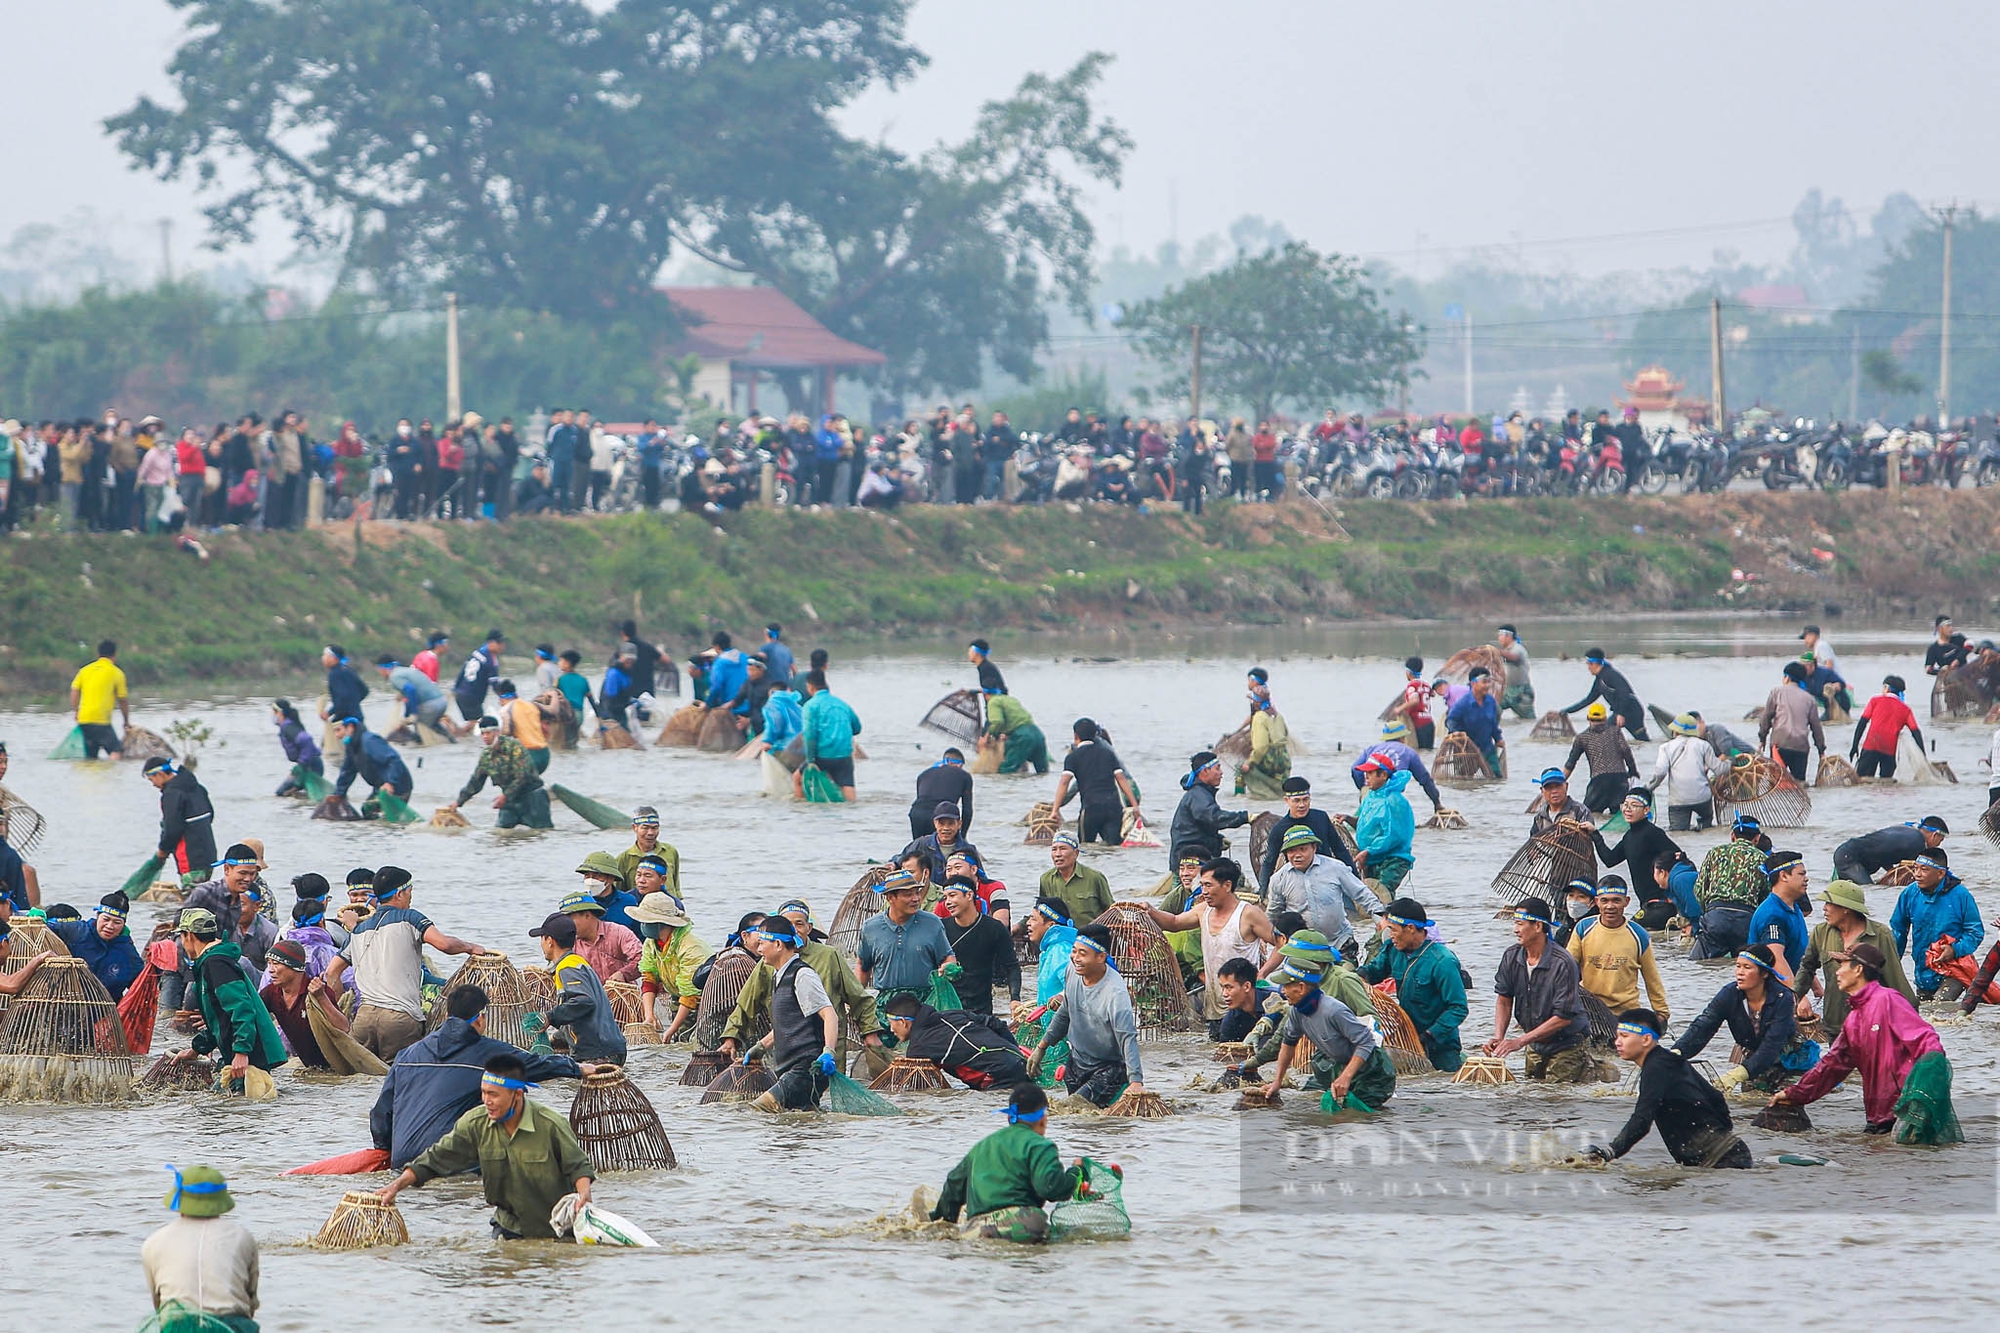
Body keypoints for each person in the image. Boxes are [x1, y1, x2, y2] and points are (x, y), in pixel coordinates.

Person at [380, 1053, 597, 1239]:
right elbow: (435, 1159)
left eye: (493, 1094)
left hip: (556, 1230)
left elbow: (577, 1166)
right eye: (483, 1092)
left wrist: (584, 1194)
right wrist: (396, 1185)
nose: (486, 1100)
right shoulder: (475, 1123)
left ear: (517, 1095)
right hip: (508, 1228)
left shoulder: (551, 1124)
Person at [372, 985, 591, 1169]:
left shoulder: (407, 1055)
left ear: (447, 1016)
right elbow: (537, 1065)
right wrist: (577, 1069)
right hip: (449, 1163)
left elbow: (381, 1114)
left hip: (403, 1163)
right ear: (481, 1019)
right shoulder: (488, 1053)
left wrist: (385, 1151)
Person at [1771, 943, 1962, 1143]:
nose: (1838, 971)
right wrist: (1794, 1094)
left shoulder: (1888, 999)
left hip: (1905, 1112)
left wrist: (1925, 1085)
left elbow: (1925, 1039)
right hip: (1877, 1117)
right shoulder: (1854, 1018)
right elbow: (1831, 1066)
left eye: (1842, 965)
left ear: (1858, 969)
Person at [325, 866, 485, 1061]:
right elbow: (444, 944)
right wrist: (470, 947)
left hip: (364, 1020)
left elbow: (332, 972)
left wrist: (342, 1008)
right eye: (409, 892)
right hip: (399, 1018)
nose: (410, 898)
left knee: (366, 1081)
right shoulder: (410, 918)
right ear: (400, 893)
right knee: (401, 1078)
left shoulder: (357, 931)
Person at [722, 903, 882, 1072]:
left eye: (799, 924)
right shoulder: (767, 963)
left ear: (809, 928)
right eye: (787, 924)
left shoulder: (828, 957)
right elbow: (746, 1004)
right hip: (790, 1046)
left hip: (828, 1044)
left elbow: (858, 999)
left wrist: (870, 1032)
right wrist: (732, 1038)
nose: (794, 930)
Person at [1587, 1009, 1751, 1167]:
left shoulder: (1655, 1068)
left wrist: (1610, 1152)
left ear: (1646, 1039)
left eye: (1624, 1036)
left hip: (1721, 1160)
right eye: (1617, 1036)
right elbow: (1716, 1097)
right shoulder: (1669, 1060)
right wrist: (1723, 1134)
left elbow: (1642, 1121)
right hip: (1731, 1152)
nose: (1617, 1042)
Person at [929, 1083, 1085, 1241]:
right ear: (1043, 1119)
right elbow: (1051, 1188)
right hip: (1023, 1225)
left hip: (977, 1229)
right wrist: (1076, 1173)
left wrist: (943, 1224)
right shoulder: (1040, 1145)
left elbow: (953, 1184)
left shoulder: (981, 1147)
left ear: (1009, 1117)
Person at [1145, 858, 1278, 1030]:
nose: (1204, 891)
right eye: (1202, 885)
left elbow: (1282, 943)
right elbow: (1174, 923)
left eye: (1208, 885)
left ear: (1227, 886)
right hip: (1214, 1005)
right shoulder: (1203, 911)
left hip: (1245, 1005)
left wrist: (1263, 972)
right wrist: (1150, 910)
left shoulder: (1248, 914)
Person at [1255, 953, 1395, 1112]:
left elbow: (1366, 1042)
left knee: (1355, 1116)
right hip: (1342, 1065)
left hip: (1372, 1071)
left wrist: (1345, 1077)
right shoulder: (1297, 1011)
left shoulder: (1333, 1010)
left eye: (1286, 986)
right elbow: (1288, 1044)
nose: (1283, 991)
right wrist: (1277, 1082)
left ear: (1301, 988)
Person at [1029, 924, 1146, 1107]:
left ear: (1101, 957)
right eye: (1074, 951)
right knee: (1078, 1127)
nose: (1076, 958)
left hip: (1107, 1069)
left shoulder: (1115, 994)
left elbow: (1127, 1039)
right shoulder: (1072, 971)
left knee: (1067, 1109)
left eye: (1083, 953)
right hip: (1076, 1063)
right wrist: (1041, 1047)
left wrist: (1136, 1082)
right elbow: (1066, 1011)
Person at [169, 907, 287, 1085]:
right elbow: (220, 1018)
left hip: (247, 1059)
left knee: (232, 1107)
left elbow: (242, 1008)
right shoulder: (212, 961)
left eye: (182, 937)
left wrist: (241, 1053)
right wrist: (196, 1049)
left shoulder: (216, 964)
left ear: (189, 935)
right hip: (238, 1055)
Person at [1486, 899, 1597, 1082]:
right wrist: (1499, 1039)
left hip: (1567, 1043)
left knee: (1558, 1097)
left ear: (1538, 926)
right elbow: (1504, 1000)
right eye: (1515, 923)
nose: (1515, 930)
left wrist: (1519, 1041)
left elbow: (1563, 1017)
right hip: (1535, 1043)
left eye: (1520, 924)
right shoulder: (1511, 956)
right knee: (1533, 1094)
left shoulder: (1563, 963)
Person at [1671, 945, 1808, 1093]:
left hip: (1790, 1062)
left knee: (1785, 1104)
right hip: (1753, 1060)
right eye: (1738, 966)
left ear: (1764, 973)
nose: (1740, 973)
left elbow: (1773, 1043)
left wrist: (1739, 1074)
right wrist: (1678, 1051)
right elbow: (1704, 1025)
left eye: (1747, 967)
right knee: (1749, 1108)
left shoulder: (1783, 998)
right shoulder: (1729, 994)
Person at [740, 914, 841, 1112]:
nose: (758, 949)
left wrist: (828, 1051)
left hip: (807, 1068)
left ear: (778, 944)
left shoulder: (802, 975)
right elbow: (787, 1023)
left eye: (762, 943)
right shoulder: (778, 976)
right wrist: (761, 1047)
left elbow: (830, 1015)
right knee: (799, 1122)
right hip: (789, 1069)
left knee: (761, 1109)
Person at [1358, 896, 1468, 1071]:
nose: (1390, 935)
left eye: (1393, 930)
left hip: (1440, 1046)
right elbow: (1372, 972)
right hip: (1406, 1040)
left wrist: (1430, 1035)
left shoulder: (1442, 961)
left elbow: (1458, 1008)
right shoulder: (1393, 949)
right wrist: (1355, 978)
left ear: (1410, 928)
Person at [1793, 879, 1918, 1034]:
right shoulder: (1821, 933)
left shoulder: (1879, 935)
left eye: (1829, 904)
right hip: (1835, 1024)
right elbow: (1806, 969)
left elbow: (1894, 978)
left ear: (1846, 908)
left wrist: (1911, 1022)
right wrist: (1792, 1000)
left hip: (1871, 1025)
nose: (1824, 909)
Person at [144, 1166, 260, 1330]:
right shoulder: (242, 1237)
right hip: (231, 1327)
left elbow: (158, 1303)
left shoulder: (154, 1241)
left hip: (177, 1327)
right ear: (221, 1200)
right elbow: (251, 1299)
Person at [1567, 878, 1671, 1025]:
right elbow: (1565, 967)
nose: (1610, 906)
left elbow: (1652, 978)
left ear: (1626, 901)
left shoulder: (1638, 935)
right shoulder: (1583, 928)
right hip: (1590, 1009)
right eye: (1604, 901)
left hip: (1625, 1013)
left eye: (1616, 900)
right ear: (1597, 902)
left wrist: (1661, 1013)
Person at [530, 911, 627, 1064]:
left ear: (550, 941)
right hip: (609, 1047)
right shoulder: (577, 963)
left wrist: (549, 1017)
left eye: (542, 938)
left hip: (599, 1052)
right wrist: (556, 1038)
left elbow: (584, 1002)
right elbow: (579, 1017)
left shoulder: (567, 968)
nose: (541, 944)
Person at [1889, 847, 1983, 999]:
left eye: (1924, 869)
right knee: (1925, 1012)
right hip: (1923, 970)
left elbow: (1975, 932)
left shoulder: (1961, 896)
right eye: (1916, 868)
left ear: (1940, 873)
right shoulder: (1909, 894)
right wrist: (1891, 964)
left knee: (1940, 1006)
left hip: (1953, 969)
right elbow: (1898, 931)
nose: (1917, 874)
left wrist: (1954, 950)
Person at [1264, 825, 1371, 957]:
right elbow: (1273, 913)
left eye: (1302, 849)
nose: (1297, 855)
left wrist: (1380, 918)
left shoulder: (1335, 868)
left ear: (1314, 848)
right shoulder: (1278, 879)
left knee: (1346, 975)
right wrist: (1267, 938)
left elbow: (1361, 894)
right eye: (1291, 851)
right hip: (1302, 946)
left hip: (1340, 941)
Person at [884, 992, 1028, 1089]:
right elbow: (997, 1024)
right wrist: (1016, 1053)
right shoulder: (953, 1014)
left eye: (891, 1024)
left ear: (902, 1022)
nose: (891, 1030)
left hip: (997, 1076)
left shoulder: (918, 1048)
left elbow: (921, 1090)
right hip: (1019, 1062)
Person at [856, 870, 957, 1007]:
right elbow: (863, 966)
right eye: (908, 895)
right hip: (887, 1003)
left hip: (925, 1002)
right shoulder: (871, 927)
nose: (916, 899)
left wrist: (948, 966)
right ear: (890, 898)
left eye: (917, 893)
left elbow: (947, 956)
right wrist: (855, 1000)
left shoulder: (932, 923)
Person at [442, 717, 551, 829]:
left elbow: (523, 776)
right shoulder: (486, 756)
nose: (485, 737)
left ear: (497, 732)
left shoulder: (514, 747)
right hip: (510, 800)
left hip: (533, 798)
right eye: (483, 733)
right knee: (501, 834)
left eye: (488, 733)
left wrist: (505, 796)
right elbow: (476, 782)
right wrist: (458, 802)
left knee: (541, 833)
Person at [257, 938, 348, 1069]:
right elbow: (254, 1019)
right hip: (310, 1068)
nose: (271, 970)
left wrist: (321, 997)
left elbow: (343, 1028)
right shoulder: (271, 993)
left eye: (276, 964)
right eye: (269, 964)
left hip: (336, 1067)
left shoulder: (317, 991)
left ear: (295, 967)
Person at [630, 892, 707, 1040]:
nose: (643, 925)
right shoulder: (651, 943)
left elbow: (690, 995)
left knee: (691, 1040)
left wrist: (671, 1030)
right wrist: (649, 1015)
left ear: (661, 923)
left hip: (702, 1001)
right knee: (677, 1039)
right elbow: (649, 978)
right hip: (677, 998)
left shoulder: (690, 947)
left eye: (647, 921)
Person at [1051, 718, 1137, 846]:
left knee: (1085, 847)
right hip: (1113, 807)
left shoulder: (1073, 757)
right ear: (1095, 734)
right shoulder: (1108, 753)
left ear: (1076, 735)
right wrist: (1134, 806)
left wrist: (1055, 810)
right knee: (1113, 848)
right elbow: (1121, 779)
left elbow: (1064, 783)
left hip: (1091, 808)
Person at [938, 878, 1019, 1014]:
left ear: (969, 895)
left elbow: (1012, 966)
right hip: (947, 1008)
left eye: (952, 896)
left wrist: (1015, 999)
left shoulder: (994, 928)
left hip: (981, 1010)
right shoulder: (941, 928)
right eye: (945, 897)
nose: (948, 902)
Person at [1692, 814, 1773, 950]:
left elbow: (1699, 889)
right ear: (1757, 839)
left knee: (1700, 965)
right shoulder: (1763, 859)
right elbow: (1767, 896)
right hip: (1746, 920)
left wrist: (1708, 912)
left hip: (1715, 918)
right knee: (1744, 964)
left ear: (1732, 836)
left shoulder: (1715, 852)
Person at [1262, 775, 1359, 888]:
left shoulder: (1321, 818)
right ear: (1287, 800)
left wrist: (1356, 879)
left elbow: (1339, 850)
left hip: (1327, 877)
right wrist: (1263, 889)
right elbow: (1269, 862)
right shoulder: (1279, 829)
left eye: (1305, 799)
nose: (1302, 805)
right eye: (1297, 801)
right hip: (1298, 882)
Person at [48, 891, 143, 1000]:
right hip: (71, 1001)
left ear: (123, 924)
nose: (110, 926)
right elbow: (47, 928)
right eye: (106, 919)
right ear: (97, 916)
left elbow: (141, 986)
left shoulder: (128, 952)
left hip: (108, 1008)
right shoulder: (77, 931)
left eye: (117, 922)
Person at [1591, 788, 1684, 898]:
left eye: (1634, 805)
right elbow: (1610, 860)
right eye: (1625, 805)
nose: (1628, 809)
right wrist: (1595, 834)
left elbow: (1680, 857)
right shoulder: (1628, 836)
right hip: (1645, 902)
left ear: (1646, 810)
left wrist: (1670, 896)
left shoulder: (1652, 832)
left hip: (1660, 901)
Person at [1168, 750, 1249, 873]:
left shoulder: (1200, 793)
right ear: (1205, 771)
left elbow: (1200, 828)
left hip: (1190, 858)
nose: (1221, 773)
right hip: (1188, 863)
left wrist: (1218, 840)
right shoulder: (1198, 795)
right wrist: (1245, 817)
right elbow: (1215, 817)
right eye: (1217, 768)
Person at [144, 756, 217, 887]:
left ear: (160, 774)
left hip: (190, 859)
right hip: (208, 855)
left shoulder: (171, 795)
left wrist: (163, 850)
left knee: (192, 901)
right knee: (204, 894)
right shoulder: (198, 788)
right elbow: (210, 815)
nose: (153, 784)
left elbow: (172, 829)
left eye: (152, 780)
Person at [1754, 660, 1828, 783]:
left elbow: (1766, 717)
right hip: (1801, 748)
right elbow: (1816, 727)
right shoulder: (1809, 699)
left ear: (1787, 678)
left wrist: (1762, 739)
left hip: (1779, 745)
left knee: (1775, 783)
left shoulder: (1776, 692)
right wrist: (1821, 750)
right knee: (1799, 785)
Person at [1650, 713, 1727, 831]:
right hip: (1702, 798)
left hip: (1678, 800)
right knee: (1706, 830)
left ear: (1675, 731)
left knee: (1678, 833)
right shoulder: (1703, 745)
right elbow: (1719, 769)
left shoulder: (1666, 747)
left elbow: (1660, 773)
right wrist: (1731, 761)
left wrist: (1649, 788)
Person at [1350, 721, 1444, 817]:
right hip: (1392, 794)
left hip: (1369, 793)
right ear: (1402, 738)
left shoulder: (1371, 749)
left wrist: (1364, 787)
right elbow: (1425, 779)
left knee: (1367, 821)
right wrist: (1436, 802)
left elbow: (1355, 769)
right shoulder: (1408, 752)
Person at [1353, 756, 1416, 893]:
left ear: (1383, 775)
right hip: (1372, 858)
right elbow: (1363, 824)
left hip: (1394, 859)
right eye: (1366, 773)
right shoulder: (1371, 797)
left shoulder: (1394, 800)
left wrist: (1369, 850)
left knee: (1382, 894)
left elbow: (1394, 835)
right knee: (1370, 897)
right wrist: (1346, 819)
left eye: (1370, 773)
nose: (1366, 777)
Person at [1564, 702, 1640, 814]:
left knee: (1588, 815)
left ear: (1588, 718)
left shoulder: (1582, 738)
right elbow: (1626, 751)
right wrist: (1633, 771)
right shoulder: (1615, 731)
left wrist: (1560, 781)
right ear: (1605, 718)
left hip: (1599, 782)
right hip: (1620, 779)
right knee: (1619, 814)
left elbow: (1570, 763)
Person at [797, 669, 861, 800]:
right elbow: (857, 728)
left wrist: (810, 760)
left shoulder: (810, 706)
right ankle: (853, 815)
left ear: (810, 686)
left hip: (823, 756)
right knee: (847, 786)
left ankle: (800, 813)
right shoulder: (841, 704)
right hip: (845, 755)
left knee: (797, 779)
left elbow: (809, 735)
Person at [1747, 848, 1811, 977]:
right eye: (1801, 874)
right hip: (1772, 992)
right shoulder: (1772, 914)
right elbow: (1776, 960)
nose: (1806, 879)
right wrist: (1796, 994)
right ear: (1784, 876)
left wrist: (1817, 989)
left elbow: (1799, 958)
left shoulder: (1793, 907)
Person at [1831, 814, 1947, 885]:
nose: (1938, 845)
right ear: (1934, 835)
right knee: (1867, 889)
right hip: (1849, 858)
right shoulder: (1918, 843)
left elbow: (1885, 853)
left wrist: (1890, 872)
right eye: (1940, 841)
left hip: (1846, 852)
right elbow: (1916, 871)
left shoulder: (1907, 830)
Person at [1561, 648, 1646, 739]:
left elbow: (1625, 694)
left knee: (1599, 736)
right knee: (1642, 741)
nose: (1588, 668)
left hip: (1632, 711)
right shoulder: (1599, 680)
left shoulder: (1610, 675)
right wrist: (1567, 711)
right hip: (1623, 712)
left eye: (1588, 664)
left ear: (1594, 664)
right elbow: (1589, 699)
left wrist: (1621, 714)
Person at [1848, 675, 1923, 780]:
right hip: (1889, 751)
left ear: (1886, 688)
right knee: (1886, 784)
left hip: (1871, 746)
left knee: (1862, 781)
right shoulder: (1906, 710)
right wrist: (1923, 756)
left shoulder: (1875, 701)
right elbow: (1916, 733)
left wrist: (1854, 746)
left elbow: (1862, 723)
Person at [332, 716, 413, 810]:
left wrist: (390, 782)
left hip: (398, 786)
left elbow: (393, 760)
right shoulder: (352, 746)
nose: (337, 735)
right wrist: (339, 793)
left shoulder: (370, 741)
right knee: (368, 810)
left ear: (350, 727)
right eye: (334, 731)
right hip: (380, 787)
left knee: (388, 819)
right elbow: (348, 771)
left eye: (338, 730)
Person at [562, 890, 641, 984]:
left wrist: (623, 974)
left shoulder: (618, 932)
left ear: (587, 915)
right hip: (587, 995)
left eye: (570, 919)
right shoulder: (569, 942)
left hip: (621, 993)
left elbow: (641, 959)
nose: (566, 924)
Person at [68, 639, 129, 758]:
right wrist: (126, 721)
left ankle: (91, 775)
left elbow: (74, 691)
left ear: (98, 654)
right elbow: (123, 700)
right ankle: (113, 773)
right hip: (101, 721)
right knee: (116, 751)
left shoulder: (84, 670)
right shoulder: (117, 673)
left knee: (91, 756)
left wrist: (76, 711)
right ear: (114, 655)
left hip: (84, 720)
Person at [1036, 833, 1112, 926]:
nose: (1058, 854)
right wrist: (1020, 926)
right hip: (1061, 937)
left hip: (1089, 938)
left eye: (1063, 849)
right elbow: (1040, 912)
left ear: (1076, 853)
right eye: (1054, 849)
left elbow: (1111, 911)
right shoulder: (1046, 879)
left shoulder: (1095, 878)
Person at [902, 803, 984, 885]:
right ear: (935, 823)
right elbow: (900, 861)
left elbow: (981, 879)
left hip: (958, 894)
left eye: (950, 823)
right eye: (941, 823)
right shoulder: (921, 844)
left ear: (959, 824)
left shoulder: (968, 850)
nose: (946, 828)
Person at [1237, 676, 1292, 798]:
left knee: (1240, 768)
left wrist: (1249, 763)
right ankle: (1280, 795)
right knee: (1278, 782)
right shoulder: (1278, 716)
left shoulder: (1259, 718)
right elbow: (1286, 734)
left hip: (1269, 759)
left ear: (1256, 702)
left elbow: (1261, 747)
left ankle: (1262, 797)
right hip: (1284, 759)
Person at [1445, 667, 1505, 777]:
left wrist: (1498, 738)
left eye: (1488, 682)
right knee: (1464, 779)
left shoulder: (1490, 702)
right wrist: (1455, 732)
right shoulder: (1463, 704)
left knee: (1496, 777)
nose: (1487, 686)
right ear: (1473, 683)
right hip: (1467, 750)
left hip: (1487, 747)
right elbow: (1450, 721)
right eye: (1484, 682)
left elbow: (1493, 723)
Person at [377, 654, 452, 737]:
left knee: (420, 733)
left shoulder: (394, 676)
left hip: (431, 705)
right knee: (433, 727)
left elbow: (411, 690)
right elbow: (411, 697)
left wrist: (414, 714)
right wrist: (407, 715)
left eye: (379, 670)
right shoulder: (404, 670)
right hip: (442, 702)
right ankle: (451, 741)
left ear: (383, 669)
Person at [910, 748, 975, 841]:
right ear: (960, 765)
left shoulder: (923, 774)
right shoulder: (964, 776)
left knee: (920, 848)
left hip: (916, 813)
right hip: (941, 816)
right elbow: (967, 809)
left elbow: (922, 799)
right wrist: (963, 835)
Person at [983, 687, 1049, 775]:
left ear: (986, 695)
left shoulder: (993, 702)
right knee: (1043, 772)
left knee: (1006, 770)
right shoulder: (1011, 699)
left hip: (1022, 736)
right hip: (1037, 733)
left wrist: (988, 734)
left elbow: (997, 722)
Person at [617, 807, 681, 898]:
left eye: (655, 828)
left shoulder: (670, 851)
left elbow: (676, 887)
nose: (650, 833)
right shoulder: (624, 858)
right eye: (645, 828)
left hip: (669, 906)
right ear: (634, 828)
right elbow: (619, 893)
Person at [572, 851, 639, 929]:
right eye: (587, 876)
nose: (591, 880)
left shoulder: (629, 901)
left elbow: (638, 933)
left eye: (596, 876)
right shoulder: (578, 902)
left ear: (611, 878)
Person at [493, 680, 550, 771]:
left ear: (502, 698)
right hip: (544, 755)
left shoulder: (505, 710)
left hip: (528, 755)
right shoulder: (532, 705)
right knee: (531, 783)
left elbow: (507, 732)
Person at [453, 628, 506, 723]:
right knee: (481, 727)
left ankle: (461, 735)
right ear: (492, 643)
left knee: (474, 724)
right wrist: (506, 698)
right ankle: (458, 735)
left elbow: (462, 671)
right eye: (500, 643)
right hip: (471, 698)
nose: (502, 646)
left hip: (460, 694)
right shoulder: (491, 661)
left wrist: (455, 689)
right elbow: (495, 686)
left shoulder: (476, 652)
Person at [271, 699, 322, 797]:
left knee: (280, 794)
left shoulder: (288, 727)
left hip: (310, 767)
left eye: (274, 712)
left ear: (280, 713)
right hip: (311, 765)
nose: (273, 716)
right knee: (297, 795)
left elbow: (307, 740)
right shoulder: (288, 726)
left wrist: (301, 765)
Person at [1529, 767, 1592, 834]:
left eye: (1558, 786)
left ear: (1566, 786)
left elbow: (1591, 841)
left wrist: (1593, 832)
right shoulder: (1539, 818)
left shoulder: (1580, 811)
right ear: (1542, 791)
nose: (1554, 791)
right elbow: (1532, 842)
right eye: (1549, 788)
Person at [1392, 656, 1436, 749]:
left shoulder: (1412, 685)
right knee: (1427, 751)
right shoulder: (1425, 684)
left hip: (1419, 724)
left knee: (1418, 751)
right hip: (1429, 723)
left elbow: (1415, 700)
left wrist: (1400, 708)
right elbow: (1433, 694)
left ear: (1409, 672)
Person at [320, 644, 369, 727]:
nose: (322, 658)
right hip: (358, 718)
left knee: (328, 739)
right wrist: (353, 704)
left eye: (324, 655)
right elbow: (365, 691)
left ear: (333, 658)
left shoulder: (334, 675)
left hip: (345, 722)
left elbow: (342, 698)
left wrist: (329, 713)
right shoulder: (348, 670)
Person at [1494, 624, 1535, 719]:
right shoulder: (1506, 650)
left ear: (1508, 636)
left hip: (1521, 693)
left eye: (1500, 635)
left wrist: (1496, 651)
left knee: (1528, 721)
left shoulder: (1518, 648)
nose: (1499, 638)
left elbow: (1514, 658)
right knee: (1492, 706)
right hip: (1507, 691)